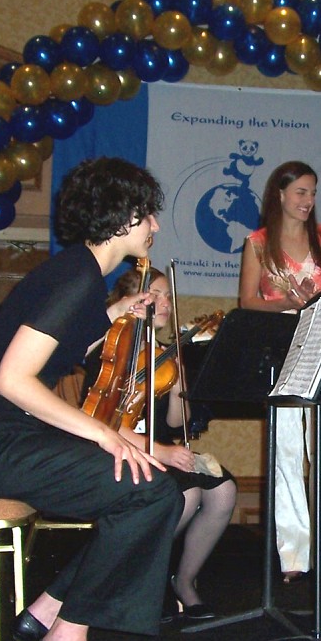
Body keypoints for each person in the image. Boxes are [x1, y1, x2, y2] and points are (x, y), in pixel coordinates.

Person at [0, 157, 182, 641]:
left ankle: (47, 611)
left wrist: (117, 311)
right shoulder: (75, 277)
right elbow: (14, 380)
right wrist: (104, 432)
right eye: (147, 215)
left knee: (155, 490)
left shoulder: (78, 274)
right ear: (120, 218)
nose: (155, 226)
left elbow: (58, 345)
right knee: (153, 495)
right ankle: (66, 635)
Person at [237, 160, 321, 587]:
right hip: (281, 356)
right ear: (280, 195)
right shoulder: (257, 243)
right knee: (286, 454)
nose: (308, 201)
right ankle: (294, 555)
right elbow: (248, 302)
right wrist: (286, 303)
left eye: (312, 192)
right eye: (300, 193)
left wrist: (319, 301)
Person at [97, 266, 237, 622]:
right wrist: (162, 452)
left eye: (167, 296)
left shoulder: (163, 356)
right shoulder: (110, 352)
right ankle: (140, 579)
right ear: (131, 302)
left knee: (224, 490)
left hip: (158, 449)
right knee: (186, 495)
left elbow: (175, 422)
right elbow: (105, 422)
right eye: (155, 295)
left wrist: (180, 379)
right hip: (117, 451)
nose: (165, 303)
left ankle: (185, 582)